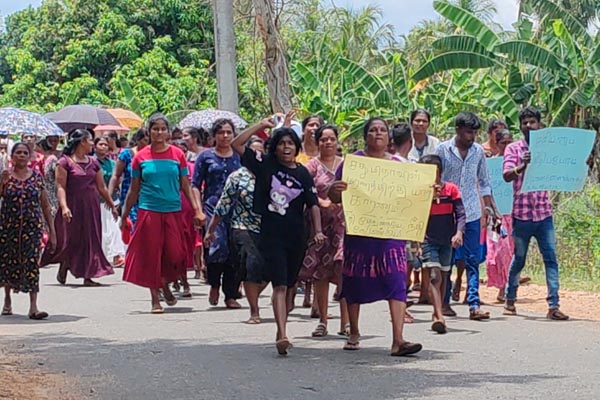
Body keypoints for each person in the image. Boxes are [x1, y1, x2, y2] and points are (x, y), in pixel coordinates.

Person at [328, 117, 422, 357]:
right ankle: (354, 332)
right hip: (360, 232)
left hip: (390, 233)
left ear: (389, 138)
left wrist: (430, 189)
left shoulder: (400, 165)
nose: (378, 134)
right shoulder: (353, 163)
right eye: (373, 130)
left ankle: (398, 340)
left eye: (382, 130)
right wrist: (335, 190)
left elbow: (414, 195)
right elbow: (334, 196)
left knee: (397, 281)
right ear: (365, 136)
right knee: (355, 281)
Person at [232, 119, 325, 356]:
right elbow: (237, 143)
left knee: (290, 288)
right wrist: (260, 125)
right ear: (274, 148)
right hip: (271, 236)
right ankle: (283, 334)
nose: (286, 147)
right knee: (280, 285)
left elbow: (313, 204)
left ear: (297, 147)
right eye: (281, 143)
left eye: (290, 143)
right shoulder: (265, 166)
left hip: (297, 237)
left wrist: (318, 230)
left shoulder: (303, 174)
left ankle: (281, 325)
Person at [121, 114, 203, 314]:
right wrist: (123, 215)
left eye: (163, 129)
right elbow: (133, 190)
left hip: (173, 210)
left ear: (168, 132)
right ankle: (155, 298)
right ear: (148, 132)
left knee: (176, 254)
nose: (159, 132)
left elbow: (185, 184)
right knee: (152, 255)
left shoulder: (178, 155)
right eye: (155, 129)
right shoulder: (140, 157)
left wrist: (197, 210)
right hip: (149, 210)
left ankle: (165, 283)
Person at [502, 107, 569, 320]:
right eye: (525, 122)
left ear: (539, 124)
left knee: (550, 258)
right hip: (522, 215)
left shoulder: (548, 149)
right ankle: (510, 298)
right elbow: (506, 175)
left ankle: (553, 305)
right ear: (520, 126)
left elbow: (561, 170)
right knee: (519, 258)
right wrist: (523, 165)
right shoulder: (513, 149)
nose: (529, 126)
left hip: (543, 213)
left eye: (532, 122)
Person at [435, 111, 497, 320]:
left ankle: (473, 303)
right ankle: (443, 302)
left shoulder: (478, 152)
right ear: (458, 130)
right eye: (468, 132)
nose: (472, 137)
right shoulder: (443, 150)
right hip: (446, 213)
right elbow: (434, 176)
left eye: (475, 133)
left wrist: (490, 209)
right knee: (447, 259)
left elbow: (484, 182)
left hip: (471, 211)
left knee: (472, 259)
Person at [41, 129, 117, 286]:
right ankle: (65, 264)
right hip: (73, 206)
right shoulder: (64, 162)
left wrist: (112, 205)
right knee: (72, 239)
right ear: (82, 142)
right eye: (90, 141)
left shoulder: (93, 162)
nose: (92, 144)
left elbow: (102, 187)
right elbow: (60, 187)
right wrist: (64, 207)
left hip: (91, 206)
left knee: (91, 239)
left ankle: (88, 276)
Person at [206, 137, 267, 324]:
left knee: (268, 271)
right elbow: (223, 204)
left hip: (268, 228)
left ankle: (255, 293)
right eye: (253, 152)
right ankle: (254, 310)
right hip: (242, 228)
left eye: (260, 152)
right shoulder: (237, 177)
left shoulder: (271, 175)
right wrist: (211, 230)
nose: (257, 155)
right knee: (250, 268)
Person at [298, 124, 349, 338]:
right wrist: (321, 201)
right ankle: (323, 320)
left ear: (337, 141)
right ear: (317, 142)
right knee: (320, 274)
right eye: (323, 139)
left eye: (331, 139)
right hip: (319, 227)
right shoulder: (311, 167)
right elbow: (303, 191)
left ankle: (346, 322)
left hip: (344, 227)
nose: (328, 142)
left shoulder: (347, 165)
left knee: (344, 271)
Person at [0, 143, 56, 320]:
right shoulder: (6, 176)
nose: (22, 156)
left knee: (32, 263)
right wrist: (1, 183)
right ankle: (7, 300)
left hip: (32, 228)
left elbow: (45, 205)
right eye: (18, 153)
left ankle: (33, 306)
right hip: (8, 228)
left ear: (30, 156)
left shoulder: (37, 177)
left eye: (25, 153)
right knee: (8, 262)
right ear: (12, 156)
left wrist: (52, 232)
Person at [193, 119, 242, 309]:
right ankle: (214, 283)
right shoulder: (205, 157)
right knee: (215, 248)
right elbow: (195, 185)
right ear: (214, 135)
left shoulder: (239, 156)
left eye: (229, 132)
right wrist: (198, 210)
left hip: (237, 209)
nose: (225, 136)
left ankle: (230, 294)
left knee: (235, 251)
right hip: (212, 208)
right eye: (221, 132)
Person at [419, 154, 466, 334]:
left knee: (445, 275)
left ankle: (437, 310)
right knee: (434, 275)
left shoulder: (451, 189)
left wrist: (459, 232)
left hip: (447, 239)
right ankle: (439, 315)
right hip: (428, 239)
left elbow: (461, 213)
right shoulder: (420, 193)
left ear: (439, 172)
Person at [94, 136, 126, 267]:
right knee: (100, 229)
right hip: (97, 200)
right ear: (95, 146)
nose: (103, 147)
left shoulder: (113, 163)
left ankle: (116, 256)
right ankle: (99, 257)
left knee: (114, 228)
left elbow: (117, 179)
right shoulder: (91, 162)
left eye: (105, 145)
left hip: (112, 200)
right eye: (100, 144)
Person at [108, 128, 149, 225]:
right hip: (129, 198)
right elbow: (115, 175)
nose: (148, 144)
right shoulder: (127, 154)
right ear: (138, 140)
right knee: (132, 225)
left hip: (147, 198)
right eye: (145, 140)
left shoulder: (152, 156)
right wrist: (109, 197)